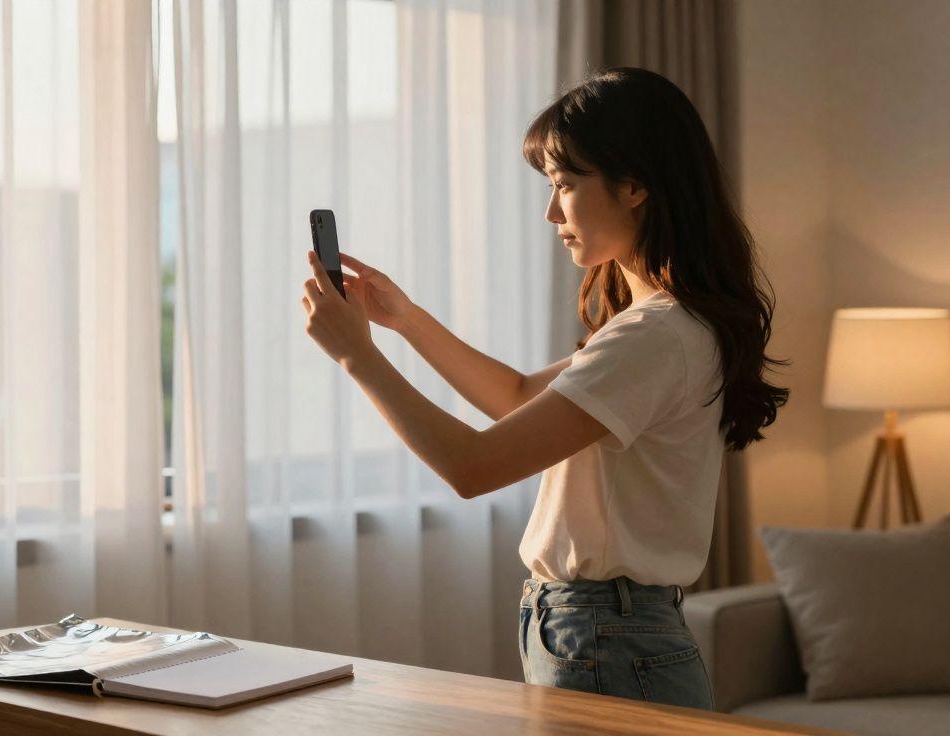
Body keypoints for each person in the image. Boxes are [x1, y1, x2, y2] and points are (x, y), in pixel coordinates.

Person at [299, 67, 788, 710]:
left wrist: (357, 357)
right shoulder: (663, 324)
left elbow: (471, 467)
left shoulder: (656, 336)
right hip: (601, 630)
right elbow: (520, 396)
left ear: (636, 183)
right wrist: (407, 321)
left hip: (603, 635)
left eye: (565, 184)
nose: (551, 210)